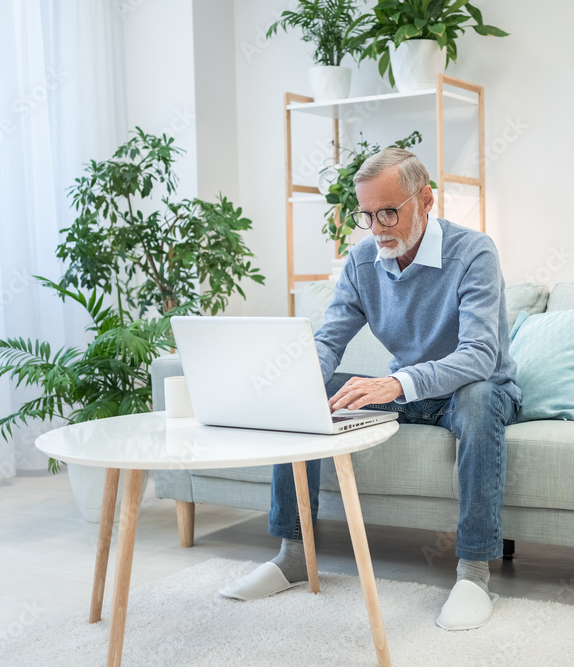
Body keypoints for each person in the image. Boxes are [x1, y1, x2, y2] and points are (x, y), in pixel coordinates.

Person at [219, 147, 520, 630]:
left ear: (426, 200)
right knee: (308, 393)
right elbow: (328, 339)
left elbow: (480, 356)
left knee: (481, 398)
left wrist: (396, 382)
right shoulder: (363, 262)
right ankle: (293, 556)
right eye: (367, 215)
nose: (378, 227)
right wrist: (296, 383)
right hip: (406, 391)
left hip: (474, 388)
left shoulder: (474, 252)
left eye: (388, 212)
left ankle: (473, 572)